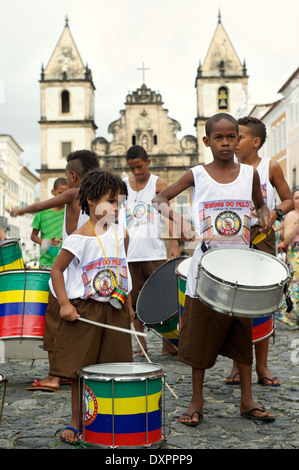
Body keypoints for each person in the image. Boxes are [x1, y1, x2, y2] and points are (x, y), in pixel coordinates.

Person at [153, 113, 275, 425]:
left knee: (241, 332)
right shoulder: (197, 175)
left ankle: (247, 399)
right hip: (205, 268)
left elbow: (260, 203)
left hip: (240, 267)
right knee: (200, 335)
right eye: (218, 138)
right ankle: (197, 399)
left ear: (238, 139)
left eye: (231, 137)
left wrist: (264, 214)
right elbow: (160, 199)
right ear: (207, 141)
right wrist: (178, 219)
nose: (225, 142)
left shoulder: (250, 175)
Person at [49, 169, 134, 444]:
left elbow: (123, 272)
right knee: (79, 369)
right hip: (84, 312)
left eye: (120, 203)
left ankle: (110, 418)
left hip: (116, 310)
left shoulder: (122, 233)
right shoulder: (78, 238)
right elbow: (57, 271)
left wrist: (129, 307)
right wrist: (64, 304)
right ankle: (76, 420)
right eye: (111, 201)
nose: (116, 208)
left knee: (116, 366)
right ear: (91, 200)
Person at [10, 150, 99, 391]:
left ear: (72, 175)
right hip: (90, 273)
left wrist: (19, 211)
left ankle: (54, 376)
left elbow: (42, 204)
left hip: (66, 271)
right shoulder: (102, 197)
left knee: (54, 324)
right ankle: (75, 371)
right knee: (80, 326)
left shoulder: (74, 193)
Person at [225, 116, 293, 387]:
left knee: (262, 303)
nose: (232, 142)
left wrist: (274, 212)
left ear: (255, 142)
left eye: (237, 137)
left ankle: (262, 366)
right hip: (233, 240)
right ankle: (235, 365)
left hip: (263, 238)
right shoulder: (227, 169)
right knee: (234, 304)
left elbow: (288, 199)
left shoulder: (270, 167)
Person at [118, 145, 180, 356]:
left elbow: (168, 215)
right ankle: (141, 345)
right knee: (134, 302)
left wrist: (174, 244)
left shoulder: (158, 183)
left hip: (154, 252)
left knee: (163, 299)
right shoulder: (123, 186)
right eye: (132, 168)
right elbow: (116, 217)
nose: (136, 171)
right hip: (130, 253)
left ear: (148, 162)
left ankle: (168, 344)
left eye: (140, 166)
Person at [31, 177, 68, 270]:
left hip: (66, 264)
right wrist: (46, 243)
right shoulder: (42, 211)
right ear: (53, 192)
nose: (63, 197)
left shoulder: (70, 211)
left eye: (66, 194)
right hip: (46, 263)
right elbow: (33, 236)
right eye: (60, 193)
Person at [276, 187, 299, 328]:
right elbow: (287, 239)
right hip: (296, 251)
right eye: (296, 198)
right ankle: (291, 316)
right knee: (296, 285)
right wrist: (296, 224)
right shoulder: (291, 216)